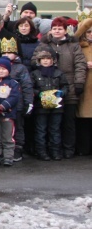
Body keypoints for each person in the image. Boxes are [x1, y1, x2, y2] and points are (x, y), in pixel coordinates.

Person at [31, 17, 87, 158]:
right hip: (46, 89)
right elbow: (34, 61)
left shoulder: (73, 45)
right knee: (46, 125)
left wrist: (79, 83)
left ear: (65, 30)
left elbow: (80, 65)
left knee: (67, 122)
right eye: (54, 28)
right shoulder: (43, 44)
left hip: (68, 88)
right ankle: (47, 150)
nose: (57, 31)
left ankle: (68, 149)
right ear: (51, 30)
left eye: (60, 28)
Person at [30, 50, 69, 161]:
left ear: (53, 60)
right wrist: (39, 94)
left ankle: (55, 151)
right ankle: (41, 152)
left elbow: (66, 86)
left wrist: (62, 92)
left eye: (48, 58)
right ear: (39, 60)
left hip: (57, 107)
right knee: (41, 130)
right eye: (43, 59)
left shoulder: (59, 73)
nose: (46, 61)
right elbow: (30, 88)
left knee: (55, 129)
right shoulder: (34, 74)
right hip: (40, 107)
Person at [0, 37, 33, 161]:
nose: (7, 55)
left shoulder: (21, 68)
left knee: (18, 127)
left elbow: (27, 86)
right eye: (4, 53)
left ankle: (18, 148)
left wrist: (28, 102)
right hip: (2, 103)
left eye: (10, 52)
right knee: (3, 127)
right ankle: (2, 149)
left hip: (17, 103)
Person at [0, 57, 21, 166]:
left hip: (8, 114)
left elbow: (14, 97)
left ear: (9, 70)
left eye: (4, 69)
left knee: (7, 137)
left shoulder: (13, 83)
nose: (1, 71)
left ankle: (8, 157)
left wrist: (3, 106)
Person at [74, 14, 92, 155]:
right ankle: (84, 148)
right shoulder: (78, 46)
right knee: (84, 119)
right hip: (84, 85)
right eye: (89, 31)